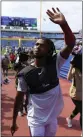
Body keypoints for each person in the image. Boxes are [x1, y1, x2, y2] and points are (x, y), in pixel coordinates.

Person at [11, 7, 75, 136]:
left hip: (52, 118)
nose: (37, 46)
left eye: (41, 45)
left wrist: (64, 24)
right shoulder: (25, 73)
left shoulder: (56, 62)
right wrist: (14, 121)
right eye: (36, 44)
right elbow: (19, 98)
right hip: (36, 120)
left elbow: (70, 44)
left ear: (49, 50)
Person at [66, 52, 82, 131]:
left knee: (78, 109)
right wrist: (71, 67)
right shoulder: (75, 69)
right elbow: (68, 78)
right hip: (75, 94)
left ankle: (69, 118)